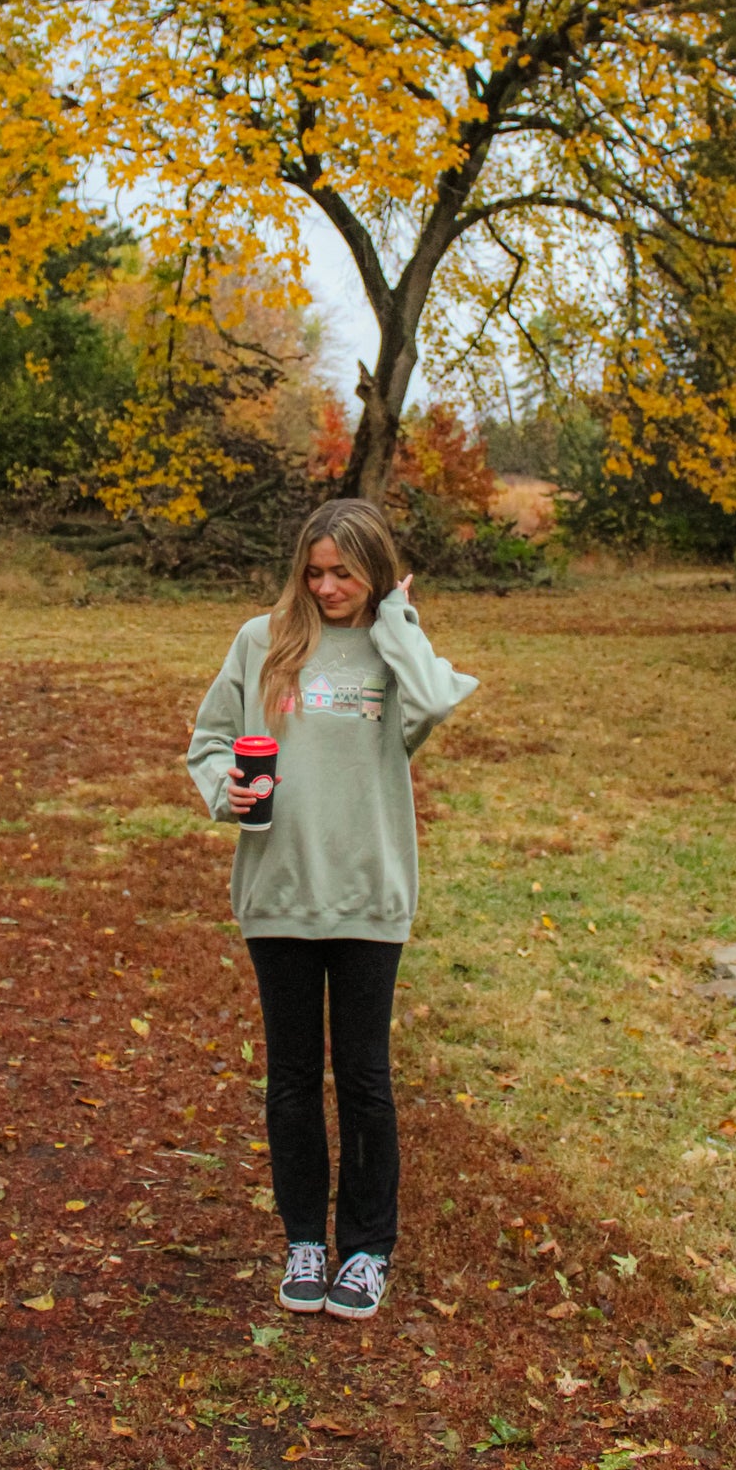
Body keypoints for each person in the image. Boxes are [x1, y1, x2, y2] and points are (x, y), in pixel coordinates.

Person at [187, 499, 478, 1322]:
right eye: (313, 572)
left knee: (363, 1079)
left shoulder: (393, 651)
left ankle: (366, 1249)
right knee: (289, 1080)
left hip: (367, 893)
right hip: (278, 891)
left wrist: (399, 619)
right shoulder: (263, 640)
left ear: (374, 572)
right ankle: (304, 1243)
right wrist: (226, 791)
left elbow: (436, 701)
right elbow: (209, 742)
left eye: (343, 573)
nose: (325, 587)